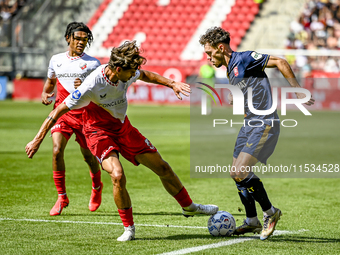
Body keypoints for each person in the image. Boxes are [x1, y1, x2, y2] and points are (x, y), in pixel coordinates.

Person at [26, 40, 219, 241]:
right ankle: (129, 228)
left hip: (123, 129)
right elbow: (58, 110)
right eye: (130, 71)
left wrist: (172, 83)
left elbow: (145, 74)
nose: (133, 74)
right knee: (117, 175)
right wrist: (37, 139)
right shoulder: (91, 84)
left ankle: (190, 207)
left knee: (162, 167)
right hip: (98, 132)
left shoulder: (127, 73)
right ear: (118, 69)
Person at [199, 27, 314, 240]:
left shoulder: (244, 58)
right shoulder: (229, 69)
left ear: (220, 48)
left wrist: (297, 89)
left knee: (241, 172)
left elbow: (280, 62)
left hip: (264, 122)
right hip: (248, 124)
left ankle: (271, 213)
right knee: (235, 173)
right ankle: (251, 220)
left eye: (209, 53)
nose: (207, 58)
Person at [42, 22, 102, 216]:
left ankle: (97, 185)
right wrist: (45, 93)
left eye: (85, 40)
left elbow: (99, 93)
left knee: (88, 156)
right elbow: (51, 81)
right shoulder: (56, 60)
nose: (81, 42)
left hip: (84, 115)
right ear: (68, 38)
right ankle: (62, 196)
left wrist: (85, 85)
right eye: (77, 38)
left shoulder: (93, 64)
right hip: (63, 112)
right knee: (57, 150)